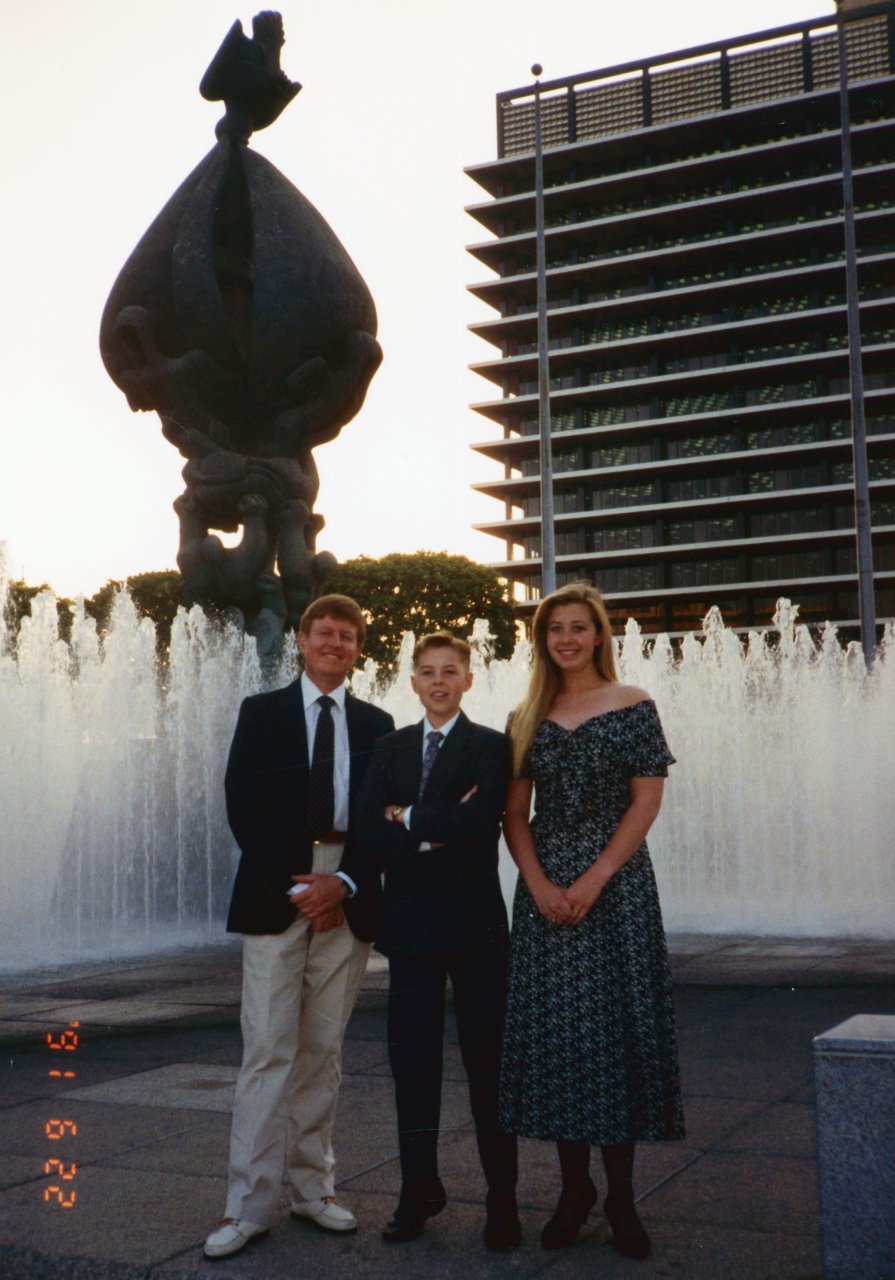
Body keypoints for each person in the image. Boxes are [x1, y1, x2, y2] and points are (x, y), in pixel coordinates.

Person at [204, 594, 394, 1260]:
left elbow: (381, 816)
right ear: (302, 640)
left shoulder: (378, 723)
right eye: (323, 633)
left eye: (347, 635)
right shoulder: (262, 714)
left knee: (323, 1052)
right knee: (267, 1052)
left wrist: (341, 883)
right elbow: (242, 806)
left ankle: (315, 1191)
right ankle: (248, 1206)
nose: (334, 643)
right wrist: (299, 886)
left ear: (357, 648)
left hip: (346, 887)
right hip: (275, 890)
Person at [499, 582, 683, 1261]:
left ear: (599, 635)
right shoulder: (526, 714)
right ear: (542, 641)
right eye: (555, 630)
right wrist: (541, 884)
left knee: (615, 1034)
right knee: (560, 1041)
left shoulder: (633, 704)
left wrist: (595, 878)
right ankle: (572, 1192)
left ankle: (623, 1198)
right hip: (546, 896)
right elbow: (514, 814)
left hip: (617, 889)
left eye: (579, 627)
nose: (567, 639)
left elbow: (645, 800)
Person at [355, 631, 520, 1250]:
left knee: (487, 1067)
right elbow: (369, 828)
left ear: (469, 680)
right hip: (412, 929)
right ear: (413, 681)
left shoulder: (490, 746)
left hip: (476, 930)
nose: (439, 681)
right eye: (427, 672)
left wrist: (409, 816)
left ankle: (502, 1202)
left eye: (451, 671)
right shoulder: (390, 746)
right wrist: (427, 824)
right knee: (413, 1066)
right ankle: (417, 1192)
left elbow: (481, 824)